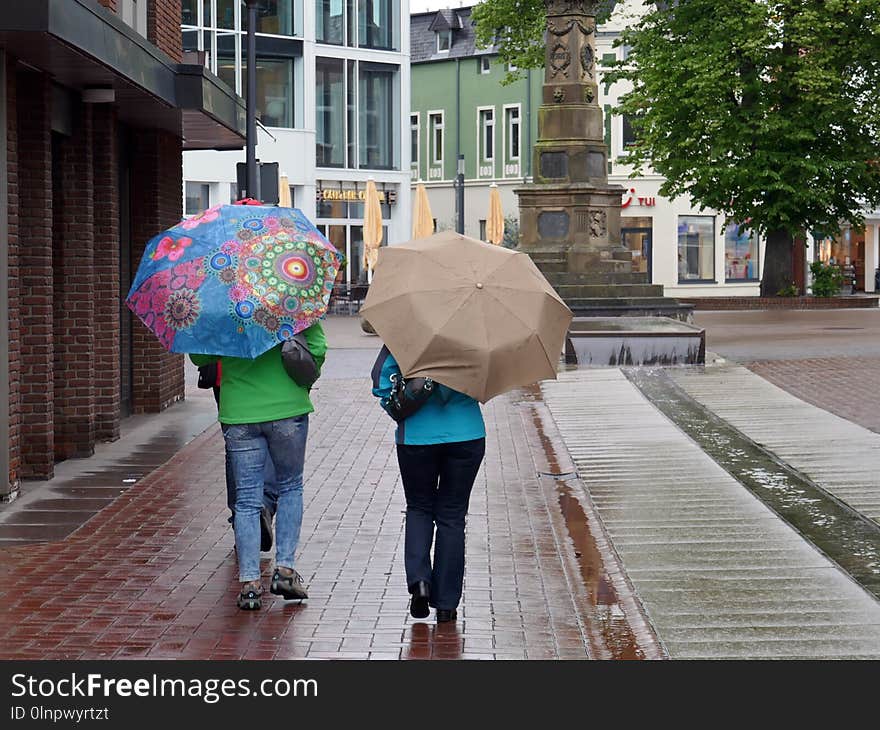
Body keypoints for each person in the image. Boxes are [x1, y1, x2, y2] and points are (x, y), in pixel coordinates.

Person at [190, 321, 327, 610]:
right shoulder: (289, 296)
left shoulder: (222, 304)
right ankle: (285, 570)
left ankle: (250, 584)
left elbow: (200, 356)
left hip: (239, 411)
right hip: (288, 407)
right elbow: (317, 348)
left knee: (247, 500)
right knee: (290, 487)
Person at [371, 345, 485, 623]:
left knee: (419, 508)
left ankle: (420, 581)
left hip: (417, 436)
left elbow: (380, 383)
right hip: (467, 434)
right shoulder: (475, 336)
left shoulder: (405, 335)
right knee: (453, 517)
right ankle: (446, 603)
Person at [197, 360, 276, 551]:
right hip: (265, 374)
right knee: (271, 441)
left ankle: (241, 519)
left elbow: (199, 353)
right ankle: (264, 503)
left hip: (225, 376)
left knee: (235, 449)